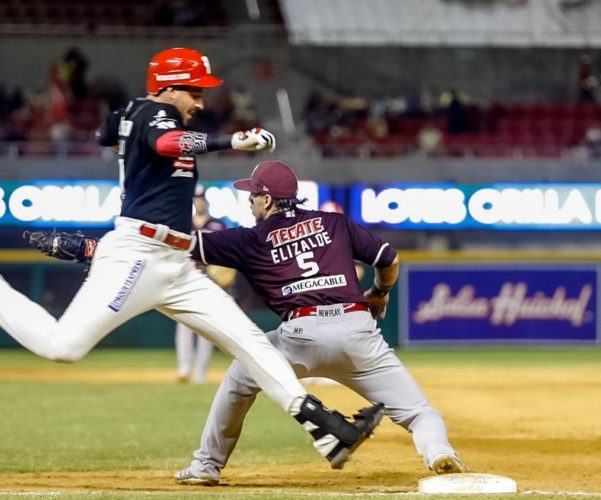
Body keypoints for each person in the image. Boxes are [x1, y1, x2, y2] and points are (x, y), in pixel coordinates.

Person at [0, 47, 385, 469]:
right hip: (138, 257)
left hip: (177, 262)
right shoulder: (153, 111)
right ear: (169, 85)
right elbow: (164, 143)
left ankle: (325, 431)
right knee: (63, 347)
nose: (201, 102)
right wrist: (231, 142)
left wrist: (128, 126)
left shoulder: (140, 112)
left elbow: (108, 132)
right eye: (196, 91)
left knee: (250, 342)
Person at [173, 160, 469, 485]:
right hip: (357, 330)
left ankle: (207, 466)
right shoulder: (335, 223)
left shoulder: (250, 239)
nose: (250, 200)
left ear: (267, 200)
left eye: (254, 194)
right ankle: (439, 452)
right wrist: (379, 292)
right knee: (419, 412)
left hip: (298, 337)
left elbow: (181, 244)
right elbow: (389, 259)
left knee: (238, 380)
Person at [176, 184, 236, 384]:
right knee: (184, 325)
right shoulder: (185, 224)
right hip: (188, 277)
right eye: (196, 198)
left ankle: (200, 373)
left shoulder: (218, 224)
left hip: (211, 280)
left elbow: (228, 251)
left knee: (206, 328)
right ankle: (184, 368)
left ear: (206, 200)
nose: (199, 201)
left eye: (201, 197)